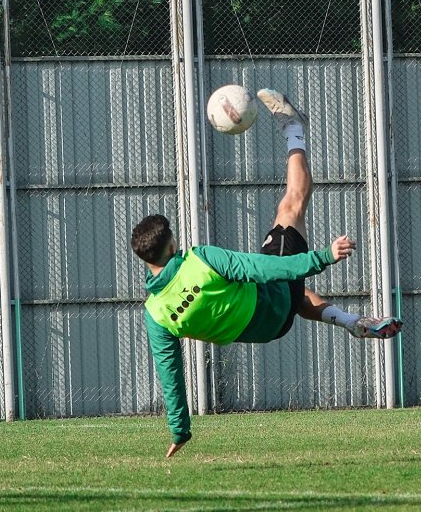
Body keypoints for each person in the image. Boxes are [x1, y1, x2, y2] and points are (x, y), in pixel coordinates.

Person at [132, 89, 403, 458]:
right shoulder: (200, 260)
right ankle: (294, 128)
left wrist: (180, 429)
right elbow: (263, 267)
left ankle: (353, 321)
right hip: (271, 299)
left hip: (270, 330)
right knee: (292, 203)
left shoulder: (155, 313)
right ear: (171, 245)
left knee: (295, 296)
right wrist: (322, 256)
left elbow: (171, 373)